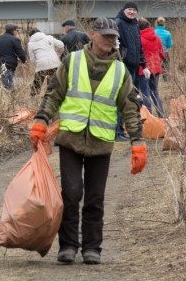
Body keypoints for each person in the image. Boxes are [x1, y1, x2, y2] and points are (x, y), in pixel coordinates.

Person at [30, 18, 147, 265]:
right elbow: (54, 94)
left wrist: (138, 142)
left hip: (101, 142)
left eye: (113, 37)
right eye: (105, 35)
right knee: (71, 194)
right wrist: (41, 120)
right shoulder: (72, 62)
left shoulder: (119, 71)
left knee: (95, 197)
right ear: (92, 34)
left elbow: (130, 108)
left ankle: (92, 248)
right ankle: (69, 246)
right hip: (71, 138)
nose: (110, 41)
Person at [113, 2, 149, 137]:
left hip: (133, 67)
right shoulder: (118, 23)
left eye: (134, 10)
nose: (132, 12)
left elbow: (139, 46)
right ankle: (117, 131)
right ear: (124, 10)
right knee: (122, 99)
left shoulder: (134, 24)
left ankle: (122, 128)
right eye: (130, 9)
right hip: (122, 66)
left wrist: (143, 65)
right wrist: (114, 46)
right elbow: (111, 41)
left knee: (129, 99)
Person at [138, 17, 166, 117]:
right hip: (156, 69)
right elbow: (162, 54)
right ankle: (161, 115)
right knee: (155, 93)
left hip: (143, 70)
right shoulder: (157, 38)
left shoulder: (139, 39)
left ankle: (148, 117)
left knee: (145, 94)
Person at [27, 26, 65, 96]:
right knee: (53, 82)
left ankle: (33, 97)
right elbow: (61, 45)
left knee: (37, 83)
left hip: (41, 65)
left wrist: (37, 65)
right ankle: (52, 96)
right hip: (54, 63)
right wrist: (57, 55)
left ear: (30, 36)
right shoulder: (49, 37)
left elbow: (32, 59)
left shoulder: (30, 44)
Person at [0, 23, 27, 90]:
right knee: (9, 87)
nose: (17, 32)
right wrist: (24, 60)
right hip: (8, 65)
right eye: (17, 30)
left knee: (6, 85)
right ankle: (11, 99)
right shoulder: (15, 40)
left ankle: (7, 99)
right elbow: (20, 52)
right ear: (13, 31)